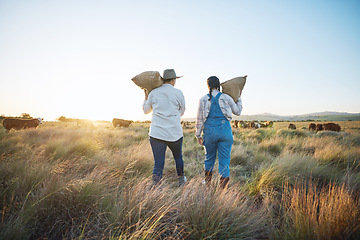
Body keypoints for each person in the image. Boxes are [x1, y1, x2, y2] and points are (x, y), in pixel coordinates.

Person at [195, 76, 243, 189]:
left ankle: (207, 186)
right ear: (218, 85)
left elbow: (199, 120)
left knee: (209, 158)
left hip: (209, 133)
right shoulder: (227, 97)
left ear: (208, 86)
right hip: (225, 132)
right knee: (224, 161)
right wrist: (239, 98)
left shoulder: (202, 99)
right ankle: (222, 192)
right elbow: (238, 111)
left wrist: (198, 135)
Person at [143, 69, 187, 187]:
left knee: (158, 163)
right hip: (175, 133)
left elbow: (146, 111)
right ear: (174, 80)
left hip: (157, 133)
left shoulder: (153, 93)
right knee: (178, 158)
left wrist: (146, 97)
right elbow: (182, 112)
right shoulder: (179, 93)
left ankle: (155, 187)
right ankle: (181, 180)